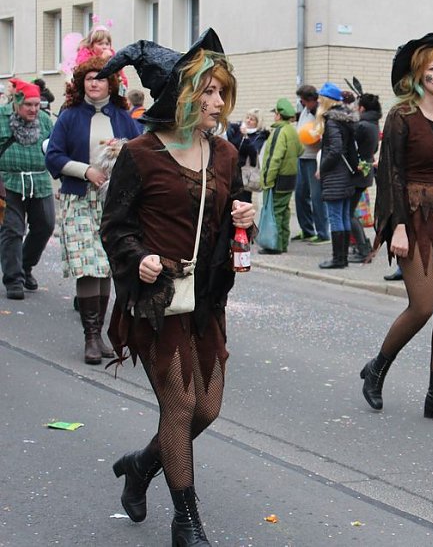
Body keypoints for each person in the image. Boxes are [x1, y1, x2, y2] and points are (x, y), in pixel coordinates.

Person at [97, 29, 255, 545]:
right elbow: (114, 226)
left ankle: (142, 466)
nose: (216, 101)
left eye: (220, 91)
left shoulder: (226, 155)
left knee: (207, 409)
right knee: (180, 407)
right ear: (181, 97)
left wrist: (245, 219)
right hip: (156, 301)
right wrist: (137, 257)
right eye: (205, 91)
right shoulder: (141, 154)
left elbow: (234, 219)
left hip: (205, 300)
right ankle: (186, 520)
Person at [361, 33, 433, 425]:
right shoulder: (401, 117)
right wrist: (396, 227)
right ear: (417, 76)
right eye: (432, 68)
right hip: (412, 216)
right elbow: (390, 174)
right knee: (423, 305)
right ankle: (377, 368)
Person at [44, 57, 141, 365]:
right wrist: (86, 171)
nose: (95, 83)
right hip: (79, 198)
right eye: (89, 79)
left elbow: (143, 151)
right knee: (88, 266)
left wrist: (121, 149)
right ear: (81, 83)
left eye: (100, 78)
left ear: (111, 83)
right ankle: (90, 337)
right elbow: (54, 156)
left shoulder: (124, 117)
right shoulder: (70, 116)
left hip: (112, 202)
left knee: (105, 265)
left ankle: (100, 334)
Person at [0, 79, 55, 300]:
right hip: (7, 182)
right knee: (12, 230)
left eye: (37, 104)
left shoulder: (44, 120)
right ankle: (13, 279)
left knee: (46, 225)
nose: (34, 109)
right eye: (28, 105)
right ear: (17, 102)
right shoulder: (1, 118)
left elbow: (55, 148)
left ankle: (25, 265)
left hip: (39, 181)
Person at [316, 82, 358, 269]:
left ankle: (338, 259)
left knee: (335, 217)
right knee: (343, 216)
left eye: (320, 98)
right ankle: (343, 258)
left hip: (335, 175)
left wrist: (322, 168)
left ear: (326, 101)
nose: (317, 101)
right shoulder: (346, 119)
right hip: (346, 174)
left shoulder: (332, 121)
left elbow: (335, 149)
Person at [258, 98, 299, 254]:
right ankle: (283, 243)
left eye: (275, 112)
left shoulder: (279, 132)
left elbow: (274, 159)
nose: (274, 115)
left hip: (278, 180)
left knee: (275, 212)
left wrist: (267, 180)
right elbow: (300, 150)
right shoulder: (292, 131)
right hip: (290, 179)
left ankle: (275, 246)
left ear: (279, 115)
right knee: (284, 211)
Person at [294, 84, 330, 244]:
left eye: (304, 101)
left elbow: (322, 135)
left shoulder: (320, 113)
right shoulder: (305, 110)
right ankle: (307, 230)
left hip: (313, 159)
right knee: (300, 195)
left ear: (312, 100)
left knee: (316, 197)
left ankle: (323, 233)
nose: (302, 103)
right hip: (301, 156)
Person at [349, 92, 381, 264]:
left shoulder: (362, 125)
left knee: (349, 213)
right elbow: (374, 149)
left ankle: (363, 249)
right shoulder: (374, 124)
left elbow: (352, 148)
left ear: (362, 108)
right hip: (366, 169)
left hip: (359, 171)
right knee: (351, 212)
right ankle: (364, 247)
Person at [226, 108, 270, 204]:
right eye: (247, 117)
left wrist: (245, 137)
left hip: (245, 173)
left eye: (252, 119)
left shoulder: (259, 135)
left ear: (257, 122)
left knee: (243, 201)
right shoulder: (238, 129)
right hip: (232, 169)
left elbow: (253, 152)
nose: (248, 121)